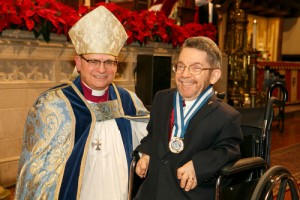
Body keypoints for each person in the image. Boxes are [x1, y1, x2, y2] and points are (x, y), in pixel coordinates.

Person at [15, 6, 149, 200]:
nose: (102, 69)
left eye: (109, 62)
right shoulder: (54, 105)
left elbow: (150, 135)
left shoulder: (128, 100)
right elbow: (37, 172)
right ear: (78, 62)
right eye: (94, 61)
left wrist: (147, 154)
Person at [134, 36, 243, 199]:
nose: (185, 74)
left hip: (188, 194)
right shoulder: (162, 99)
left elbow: (228, 151)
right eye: (180, 66)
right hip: (151, 191)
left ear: (214, 75)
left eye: (196, 68)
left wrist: (197, 166)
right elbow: (153, 135)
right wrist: (146, 154)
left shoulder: (226, 116)